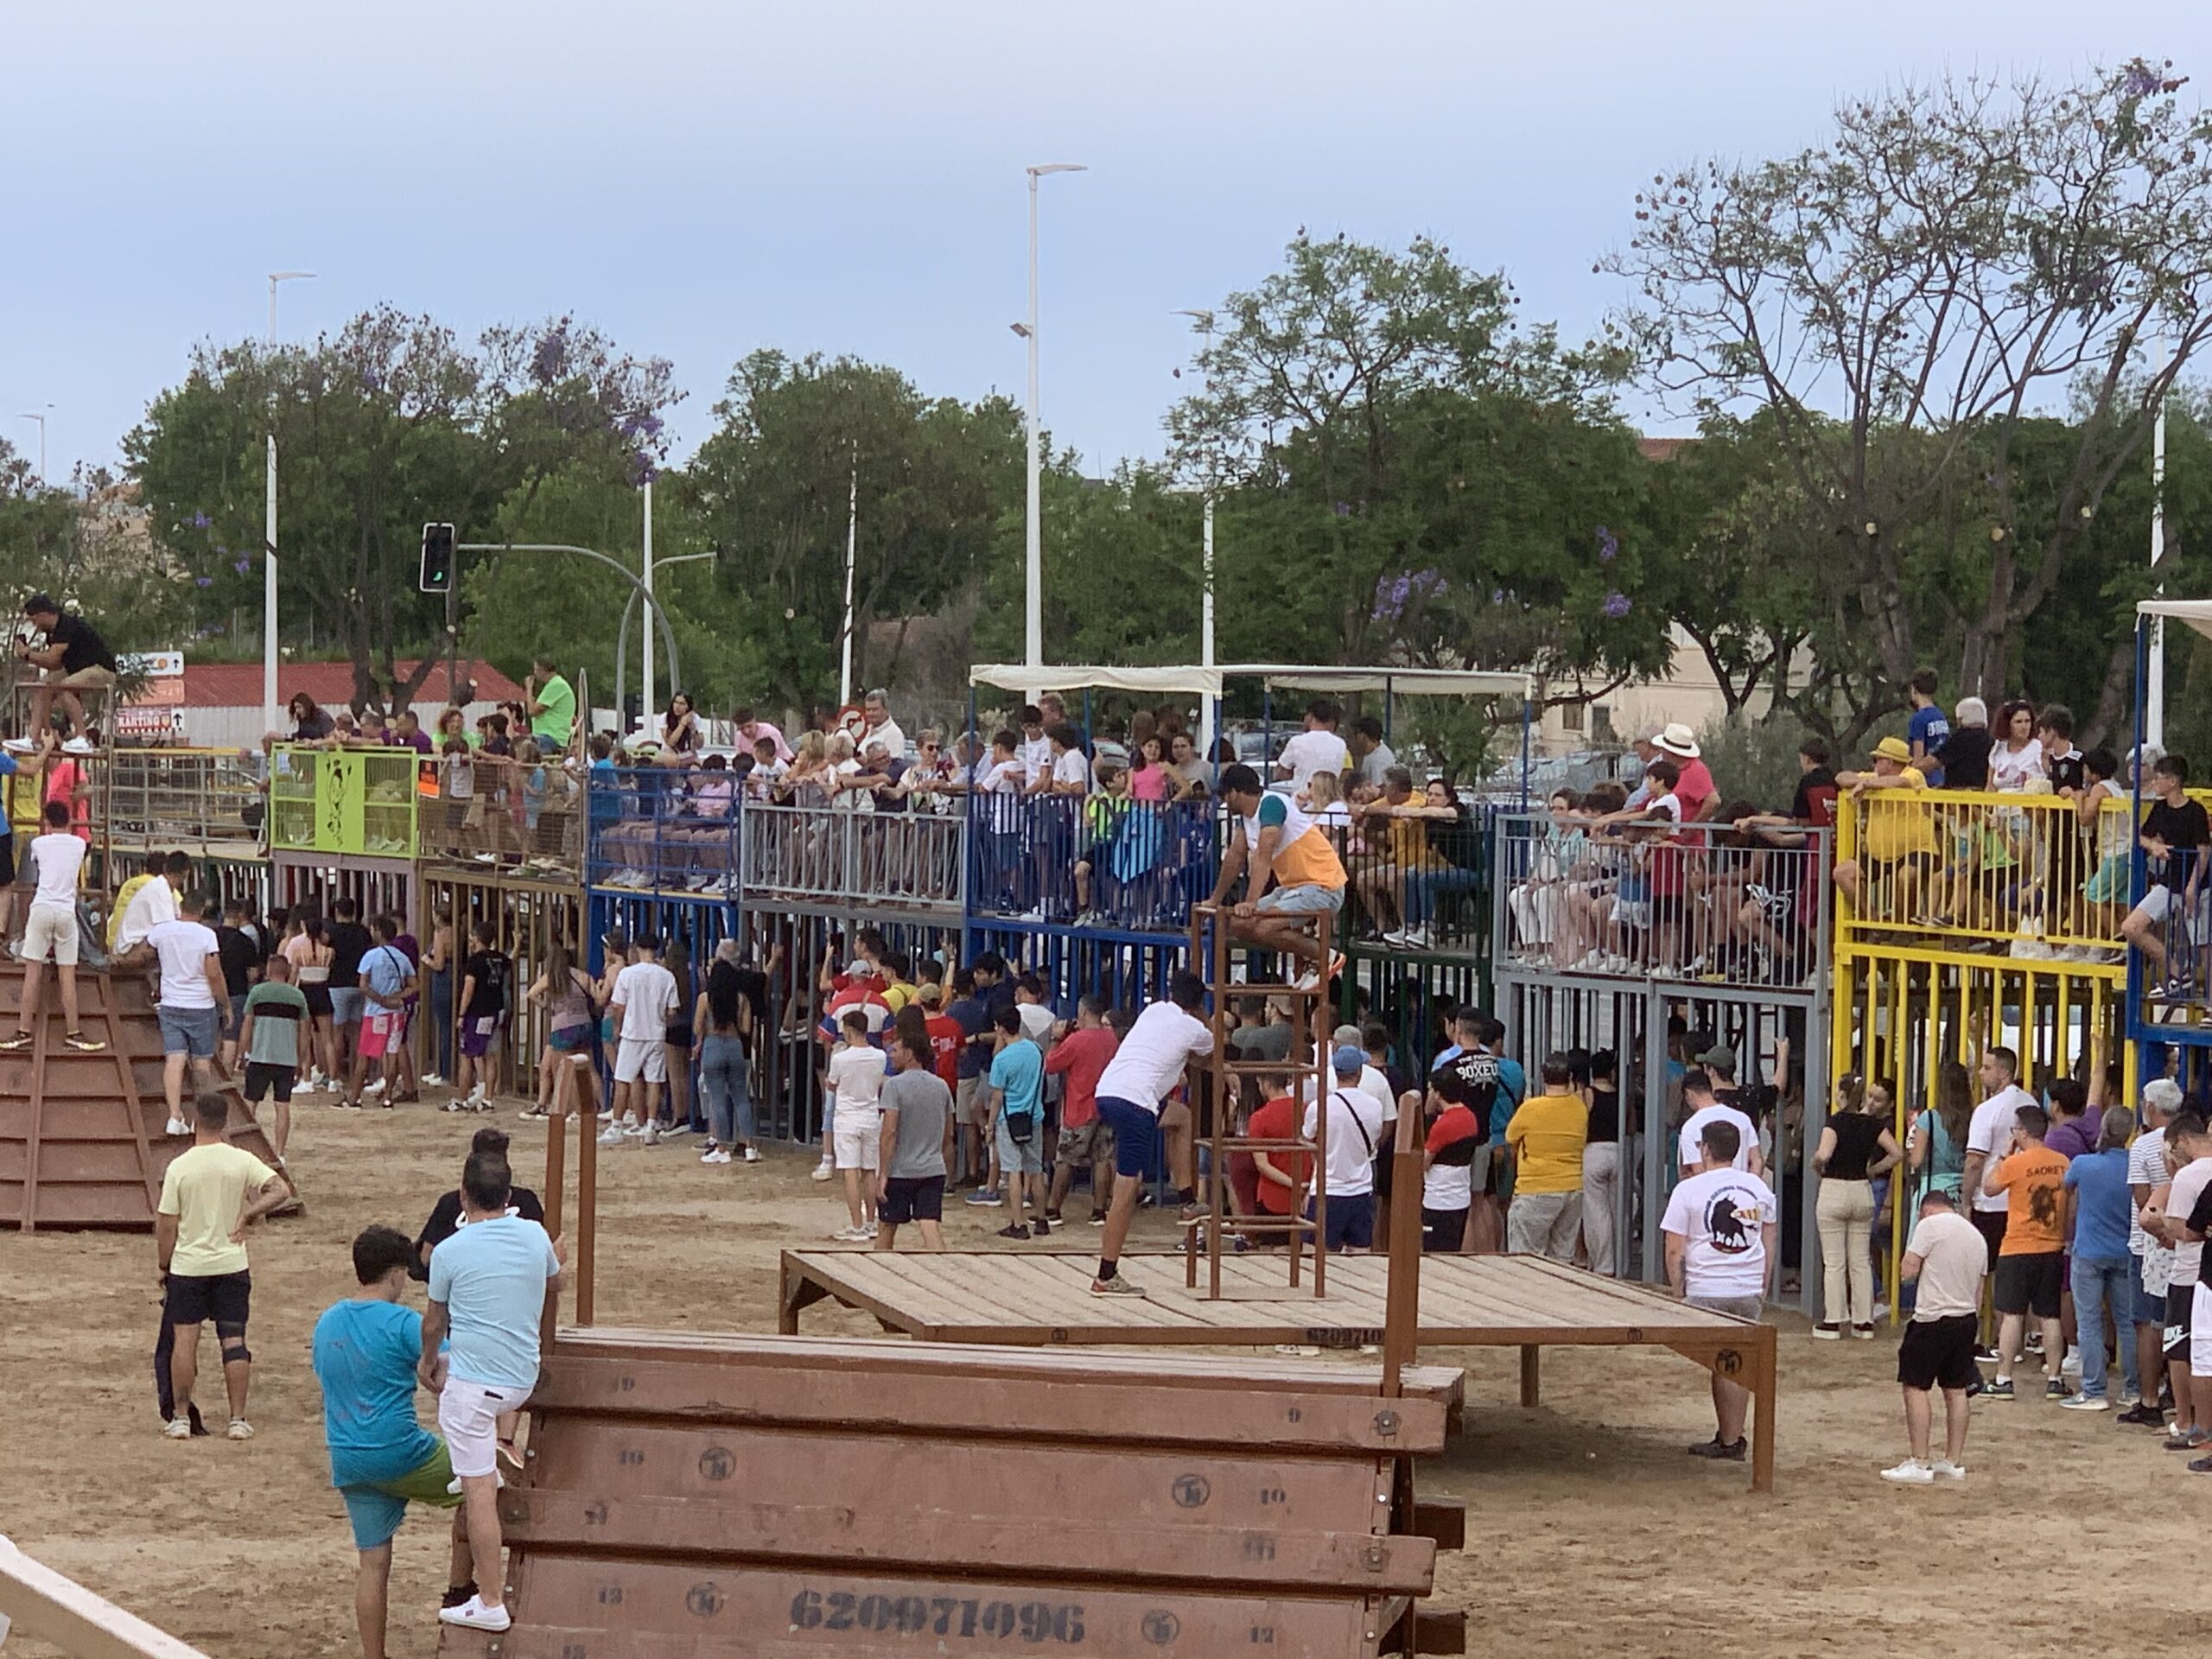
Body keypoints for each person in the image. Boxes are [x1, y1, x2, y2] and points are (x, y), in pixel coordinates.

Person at [311, 1225, 471, 1659]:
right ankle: (463, 1588)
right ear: (397, 1274)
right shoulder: (403, 1322)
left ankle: (374, 1655)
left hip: (348, 1456)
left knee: (373, 1564)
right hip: (401, 1450)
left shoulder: (328, 1322)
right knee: (478, 1489)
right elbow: (448, 1368)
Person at [425, 1150, 563, 1635]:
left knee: (478, 1494)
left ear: (463, 1195)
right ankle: (483, 1462)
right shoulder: (533, 1234)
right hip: (519, 1379)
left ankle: (489, 1600)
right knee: (474, 1426)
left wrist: (428, 1362)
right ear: (509, 1197)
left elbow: (435, 1320)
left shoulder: (449, 1251)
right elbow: (554, 1280)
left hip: (473, 1387)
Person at [157, 1092, 289, 1440]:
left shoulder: (180, 1167)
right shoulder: (240, 1160)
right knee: (234, 1340)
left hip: (189, 1265)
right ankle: (237, 1418)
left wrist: (164, 1263)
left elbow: (167, 1223)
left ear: (195, 1121)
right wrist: (248, 1213)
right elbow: (280, 1189)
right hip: (231, 1262)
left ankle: (181, 1417)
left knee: (184, 1341)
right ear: (225, 1121)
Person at [1091, 972, 1215, 1295]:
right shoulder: (1194, 1028)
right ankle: (1106, 1273)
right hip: (1137, 1105)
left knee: (1181, 1118)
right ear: (1199, 1004)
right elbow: (1210, 1052)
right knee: (1125, 1192)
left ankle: (1187, 1198)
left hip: (1109, 1091)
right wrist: (1206, 1019)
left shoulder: (1154, 1011)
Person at [1662, 1119, 1777, 1461]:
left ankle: (1729, 1437)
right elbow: (1768, 1239)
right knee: (1735, 1361)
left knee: (1722, 1363)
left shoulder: (1689, 1189)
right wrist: (1763, 1283)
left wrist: (1678, 1289)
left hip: (1706, 1286)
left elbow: (1674, 1248)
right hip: (1747, 1285)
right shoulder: (1758, 1188)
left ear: (1705, 1149)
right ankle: (1732, 1437)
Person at [1211, 764, 1348, 990]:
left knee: (1264, 928)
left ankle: (1326, 956)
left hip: (1323, 885)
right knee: (1238, 924)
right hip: (1294, 887)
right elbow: (1235, 857)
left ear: (1234, 792)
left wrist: (1251, 902)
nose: (1225, 803)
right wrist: (1214, 899)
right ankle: (1309, 955)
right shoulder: (1248, 817)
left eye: (1225, 796)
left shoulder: (1271, 804)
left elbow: (1263, 857)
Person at [1882, 1190, 1985, 1484]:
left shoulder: (1929, 1226)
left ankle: (1920, 1461)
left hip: (1933, 1316)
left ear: (1925, 1210)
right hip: (1965, 1317)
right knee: (1956, 1388)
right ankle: (1953, 1460)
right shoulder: (1975, 1235)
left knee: (1915, 1386)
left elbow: (1907, 1270)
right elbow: (1979, 1289)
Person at [1980, 1101, 2069, 1401]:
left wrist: (2005, 1153)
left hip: (2018, 1245)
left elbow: (1989, 1187)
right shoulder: (2062, 1162)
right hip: (2052, 1245)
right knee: (2049, 1315)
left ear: (2021, 1132)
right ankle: (2055, 1378)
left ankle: (2004, 1379)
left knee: (2013, 1314)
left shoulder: (2015, 1163)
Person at [0, 801, 105, 1053]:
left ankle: (23, 1031)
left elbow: (38, 866)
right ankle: (74, 1032)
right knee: (68, 975)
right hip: (66, 912)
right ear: (69, 821)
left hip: (42, 908)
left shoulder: (39, 843)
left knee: (32, 973)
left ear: (46, 823)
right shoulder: (79, 845)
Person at [2139, 1109, 2212, 1457]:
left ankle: (2187, 1420)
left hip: (2189, 1274)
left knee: (2181, 1351)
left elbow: (2186, 1231)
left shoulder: (2188, 1177)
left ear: (2182, 1142)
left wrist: (2158, 1221)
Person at [2061, 1109, 2142, 1411]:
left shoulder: (2083, 1164)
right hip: (2125, 1250)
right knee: (2127, 1322)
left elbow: (2065, 1189)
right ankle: (2133, 1388)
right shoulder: (2134, 1163)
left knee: (2090, 1322)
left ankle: (2094, 1391)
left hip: (2089, 1250)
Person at [1813, 1073, 1903, 1338]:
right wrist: (1873, 1170)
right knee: (1861, 1260)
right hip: (1862, 1190)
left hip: (1834, 1189)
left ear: (1841, 1095)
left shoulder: (1835, 1122)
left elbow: (1824, 1154)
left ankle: (1834, 1320)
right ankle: (1864, 1322)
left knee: (1834, 1261)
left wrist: (1816, 1164)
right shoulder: (1872, 1124)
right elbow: (1897, 1153)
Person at [1961, 1046, 2037, 1347]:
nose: (1981, 1073)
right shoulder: (2030, 1104)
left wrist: (1966, 1199)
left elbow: (1975, 1160)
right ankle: (2018, 1339)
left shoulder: (1987, 1110)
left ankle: (1982, 1337)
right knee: (2016, 1274)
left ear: (2003, 1072)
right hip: (2024, 1199)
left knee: (1982, 1272)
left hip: (1990, 1200)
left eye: (1986, 1067)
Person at [2121, 1078, 2184, 1427]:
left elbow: (2142, 1198)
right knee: (2180, 1322)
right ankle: (2178, 1394)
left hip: (2147, 1243)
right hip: (2187, 1240)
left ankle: (2148, 1398)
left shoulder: (2144, 1146)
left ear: (2150, 1107)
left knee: (2147, 1324)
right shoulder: (2193, 1142)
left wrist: (2162, 1233)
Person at [2121, 755, 2209, 998]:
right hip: (2170, 881)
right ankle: (2177, 972)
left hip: (2197, 884)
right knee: (2132, 926)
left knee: (2203, 943)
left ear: (2172, 781)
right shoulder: (2160, 809)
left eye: (2158, 779)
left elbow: (2203, 852)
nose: (2154, 783)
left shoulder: (2195, 811)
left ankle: (2211, 1003)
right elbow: (2140, 836)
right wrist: (2153, 847)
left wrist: (2193, 886)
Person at [147, 892, 231, 1139]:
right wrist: (225, 1004)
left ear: (180, 908)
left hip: (171, 1003)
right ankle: (199, 1120)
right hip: (201, 1005)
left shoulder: (162, 931)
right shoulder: (207, 936)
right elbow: (214, 974)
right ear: (202, 911)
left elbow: (144, 952)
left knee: (174, 1060)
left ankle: (174, 1117)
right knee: (202, 1063)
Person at [1830, 736, 1938, 913]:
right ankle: (1873, 920)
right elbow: (1841, 777)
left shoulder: (1913, 774)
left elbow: (1900, 783)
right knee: (1842, 873)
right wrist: (1863, 782)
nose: (1873, 765)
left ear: (1889, 762)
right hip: (1879, 853)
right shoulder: (1874, 778)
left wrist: (1866, 784)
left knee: (1907, 876)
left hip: (1916, 848)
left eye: (1876, 760)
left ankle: (1901, 925)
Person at [1503, 1052, 1587, 1260]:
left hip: (1535, 1188)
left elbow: (1510, 1138)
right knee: (1562, 1256)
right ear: (1569, 1078)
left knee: (1526, 1257)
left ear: (1543, 1078)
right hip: (1572, 1188)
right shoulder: (1579, 1108)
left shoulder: (1530, 1109)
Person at [8, 593, 116, 753]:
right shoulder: (52, 633)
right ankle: (34, 738)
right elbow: (56, 665)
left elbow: (51, 659)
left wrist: (27, 654)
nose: (35, 625)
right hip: (76, 669)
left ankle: (82, 737)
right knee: (42, 686)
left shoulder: (66, 626)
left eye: (34, 620)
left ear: (43, 614)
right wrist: (31, 657)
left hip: (100, 669)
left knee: (66, 687)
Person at [1303, 1046, 1385, 1253]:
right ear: (1359, 1073)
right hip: (1361, 1190)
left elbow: (1307, 1138)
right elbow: (1374, 1142)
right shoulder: (1374, 1106)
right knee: (1360, 1256)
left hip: (1326, 1189)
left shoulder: (1319, 1106)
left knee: (1316, 1258)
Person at [1045, 995, 1119, 1224]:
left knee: (1066, 1159)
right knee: (1101, 1159)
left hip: (1080, 1108)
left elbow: (1051, 1065)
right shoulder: (1111, 1039)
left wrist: (1056, 1039)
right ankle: (1098, 1210)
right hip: (1105, 1106)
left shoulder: (1076, 1040)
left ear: (1084, 1013)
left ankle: (1053, 1209)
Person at [877, 1026, 950, 1250]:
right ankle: (944, 1270)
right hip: (932, 1167)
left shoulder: (894, 1086)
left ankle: (877, 1272)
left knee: (887, 1226)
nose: (891, 1053)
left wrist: (883, 1174)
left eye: (896, 1049)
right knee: (929, 1224)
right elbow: (948, 1133)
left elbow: (889, 1132)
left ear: (909, 1054)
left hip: (901, 1169)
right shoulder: (941, 1086)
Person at [603, 934, 677, 1144]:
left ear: (636, 948)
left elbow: (618, 1006)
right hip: (656, 1033)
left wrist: (617, 1027)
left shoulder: (627, 974)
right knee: (654, 1080)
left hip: (633, 1032)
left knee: (623, 1079)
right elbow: (672, 1011)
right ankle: (650, 1127)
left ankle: (617, 1126)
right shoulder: (666, 976)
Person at [988, 1005, 1049, 1240]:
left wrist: (990, 1125)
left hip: (1009, 1119)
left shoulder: (1001, 1060)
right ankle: (1042, 1219)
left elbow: (997, 1097)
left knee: (1013, 1171)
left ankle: (1018, 1223)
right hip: (1034, 1116)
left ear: (1002, 1028)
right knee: (1035, 1168)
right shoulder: (1035, 1050)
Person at [239, 957, 310, 1160]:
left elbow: (247, 1026)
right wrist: (301, 1060)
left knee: (250, 1104)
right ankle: (280, 1152)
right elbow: (303, 1033)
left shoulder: (257, 992)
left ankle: (246, 1148)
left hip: (260, 1055)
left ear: (268, 971)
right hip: (287, 1059)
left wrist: (243, 1053)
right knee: (282, 1105)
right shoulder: (297, 996)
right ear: (287, 971)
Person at [825, 1010, 888, 1238]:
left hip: (848, 1117)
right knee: (869, 1170)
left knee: (850, 1171)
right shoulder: (880, 1056)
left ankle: (857, 1224)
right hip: (870, 1116)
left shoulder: (840, 1058)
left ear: (849, 1030)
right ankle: (871, 1221)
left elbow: (832, 1083)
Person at [694, 944, 758, 1165]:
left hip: (713, 1045)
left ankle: (721, 1147)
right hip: (735, 1046)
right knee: (741, 1098)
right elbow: (747, 1029)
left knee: (718, 1100)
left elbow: (696, 1027)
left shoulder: (705, 999)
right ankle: (749, 1146)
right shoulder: (741, 999)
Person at [348, 918, 416, 1110]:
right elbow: (414, 985)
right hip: (396, 1012)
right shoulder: (402, 957)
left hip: (376, 1012)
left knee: (365, 1055)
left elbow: (363, 985)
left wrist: (380, 999)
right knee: (392, 1053)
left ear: (378, 931)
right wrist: (398, 998)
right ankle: (388, 1096)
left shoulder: (372, 955)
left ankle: (355, 1097)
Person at [453, 919, 511, 1114]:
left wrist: (461, 1014)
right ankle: (488, 1099)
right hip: (494, 1012)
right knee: (490, 1055)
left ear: (476, 939)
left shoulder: (474, 961)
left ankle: (461, 1099)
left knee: (467, 1055)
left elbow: (468, 989)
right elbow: (511, 960)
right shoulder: (500, 959)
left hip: (476, 1013)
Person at [1581, 1050, 1626, 1275]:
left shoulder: (1589, 1093)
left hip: (1594, 1151)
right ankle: (1619, 1261)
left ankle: (1602, 1263)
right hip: (1617, 1151)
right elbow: (1629, 1126)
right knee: (1617, 1209)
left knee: (1596, 1212)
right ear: (1611, 1072)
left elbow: (1582, 1123)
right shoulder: (1620, 1095)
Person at [1676, 1068, 1763, 1178]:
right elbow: (1757, 1161)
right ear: (1710, 1089)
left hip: (1710, 1192)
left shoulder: (1691, 1127)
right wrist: (1748, 1186)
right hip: (1741, 1190)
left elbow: (1697, 1171)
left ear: (1689, 1094)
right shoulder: (1742, 1118)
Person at [1274, 699, 1349, 792]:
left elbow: (1280, 773)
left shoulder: (1297, 742)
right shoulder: (1341, 744)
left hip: (1302, 799)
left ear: (1310, 717)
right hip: (1329, 800)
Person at [521, 654, 576, 753]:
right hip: (549, 736)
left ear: (542, 670)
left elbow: (532, 711)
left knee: (524, 748)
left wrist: (529, 689)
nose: (534, 673)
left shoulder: (556, 685)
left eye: (536, 670)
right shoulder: (553, 685)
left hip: (550, 737)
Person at [1905, 669, 1949, 785]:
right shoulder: (1941, 716)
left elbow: (1918, 757)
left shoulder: (1918, 719)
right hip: (1940, 777)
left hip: (1923, 780)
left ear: (1914, 689)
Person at [1348, 715, 1397, 793]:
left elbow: (1380, 788)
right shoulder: (1371, 755)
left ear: (1363, 736)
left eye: (1356, 734)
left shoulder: (1379, 758)